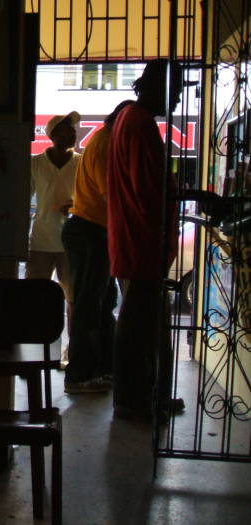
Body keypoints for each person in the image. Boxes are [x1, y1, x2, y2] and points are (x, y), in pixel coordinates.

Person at [107, 59, 187, 422]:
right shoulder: (139, 125)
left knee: (141, 323)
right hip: (141, 242)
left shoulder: (129, 120)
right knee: (138, 327)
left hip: (133, 239)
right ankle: (134, 401)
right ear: (157, 87)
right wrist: (177, 193)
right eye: (177, 88)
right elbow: (147, 190)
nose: (179, 97)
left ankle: (145, 396)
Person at [61, 100, 134, 394]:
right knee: (89, 305)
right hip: (90, 230)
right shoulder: (105, 145)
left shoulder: (105, 142)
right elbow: (111, 196)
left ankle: (103, 369)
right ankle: (79, 375)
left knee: (102, 305)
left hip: (93, 230)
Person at [27, 112, 81, 346]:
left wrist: (76, 206)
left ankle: (73, 350)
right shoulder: (35, 164)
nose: (74, 133)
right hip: (40, 240)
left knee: (74, 300)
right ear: (54, 134)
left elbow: (91, 197)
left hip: (72, 242)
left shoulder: (81, 162)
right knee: (35, 297)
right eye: (68, 128)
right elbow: (23, 198)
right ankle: (32, 347)